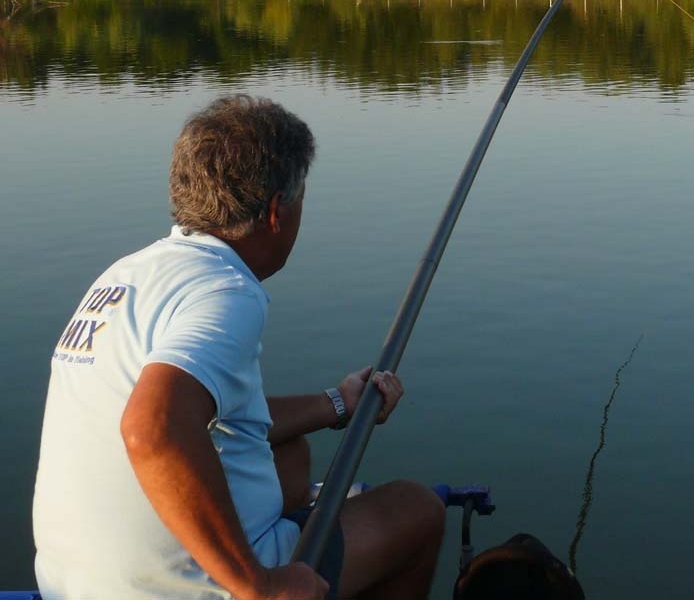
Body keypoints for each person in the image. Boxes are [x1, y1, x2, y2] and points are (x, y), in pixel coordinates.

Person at [33, 95, 445, 600]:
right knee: (417, 509)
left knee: (288, 454)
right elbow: (152, 426)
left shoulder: (127, 275)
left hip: (70, 585)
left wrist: (338, 403)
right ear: (276, 211)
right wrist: (259, 586)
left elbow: (193, 413)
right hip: (183, 589)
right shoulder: (227, 292)